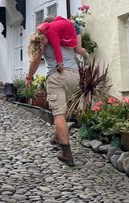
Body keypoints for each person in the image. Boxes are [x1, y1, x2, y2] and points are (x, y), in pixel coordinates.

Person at [25, 17, 87, 166]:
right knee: (62, 112)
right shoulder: (68, 35)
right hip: (74, 77)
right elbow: (79, 49)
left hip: (57, 76)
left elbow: (35, 60)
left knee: (58, 114)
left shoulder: (44, 37)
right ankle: (57, 137)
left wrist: (29, 77)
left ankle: (66, 153)